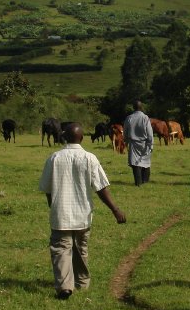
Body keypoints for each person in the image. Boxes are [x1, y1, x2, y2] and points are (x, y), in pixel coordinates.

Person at [39, 123, 126, 300]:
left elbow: (47, 189)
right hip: (82, 215)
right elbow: (101, 188)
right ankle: (82, 283)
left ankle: (64, 286)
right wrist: (115, 209)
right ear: (82, 138)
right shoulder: (89, 158)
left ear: (63, 137)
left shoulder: (54, 158)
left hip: (60, 214)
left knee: (61, 249)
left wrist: (53, 207)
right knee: (81, 248)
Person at [124, 100, 154, 186]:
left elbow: (125, 132)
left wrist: (126, 140)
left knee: (135, 163)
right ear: (141, 107)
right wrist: (150, 144)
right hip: (145, 144)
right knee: (146, 162)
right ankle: (145, 181)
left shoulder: (129, 118)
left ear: (133, 107)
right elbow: (150, 133)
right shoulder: (145, 118)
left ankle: (138, 183)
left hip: (133, 144)